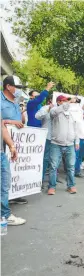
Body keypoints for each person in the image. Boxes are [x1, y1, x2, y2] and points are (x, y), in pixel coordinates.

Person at [1, 75, 28, 205]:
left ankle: (14, 194)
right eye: (17, 87)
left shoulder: (16, 102)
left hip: (15, 142)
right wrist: (11, 121)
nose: (19, 90)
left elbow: (21, 121)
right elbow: (2, 122)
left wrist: (22, 112)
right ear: (8, 87)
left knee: (13, 169)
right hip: (3, 143)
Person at [48, 95, 80, 195]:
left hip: (70, 144)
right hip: (56, 144)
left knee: (71, 166)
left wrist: (77, 141)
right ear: (58, 102)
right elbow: (54, 112)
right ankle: (52, 187)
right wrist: (69, 102)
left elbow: (75, 128)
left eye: (66, 101)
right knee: (53, 166)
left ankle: (71, 186)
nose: (65, 102)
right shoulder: (55, 111)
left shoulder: (71, 114)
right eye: (63, 101)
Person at [1, 120, 26, 225]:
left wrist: (12, 146)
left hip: (1, 154)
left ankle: (4, 216)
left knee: (4, 186)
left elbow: (1, 126)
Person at [35, 100, 53, 183]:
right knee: (45, 159)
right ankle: (40, 179)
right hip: (47, 137)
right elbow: (37, 116)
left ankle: (53, 179)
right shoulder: (45, 108)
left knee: (54, 160)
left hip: (57, 139)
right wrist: (48, 109)